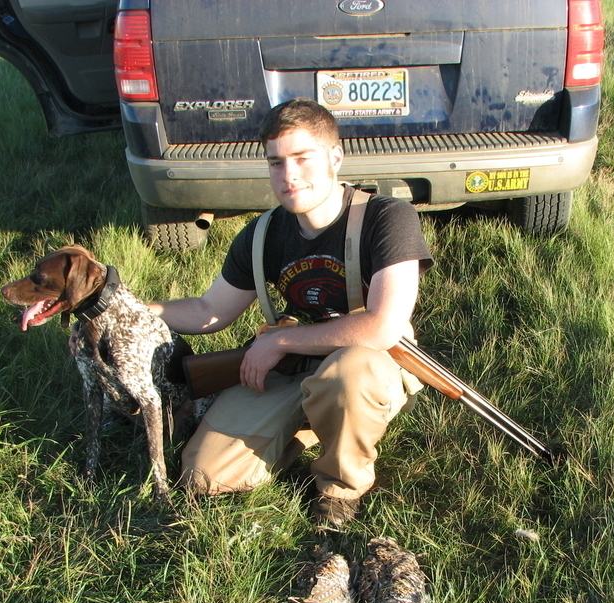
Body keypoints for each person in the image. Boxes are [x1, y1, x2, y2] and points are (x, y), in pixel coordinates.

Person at [150, 98, 433, 532]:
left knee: (348, 373)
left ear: (335, 157)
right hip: (294, 367)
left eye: (302, 158)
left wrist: (279, 340)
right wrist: (137, 309)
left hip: (369, 362)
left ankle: (341, 489)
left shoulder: (387, 218)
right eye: (276, 162)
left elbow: (383, 326)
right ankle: (317, 420)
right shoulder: (262, 234)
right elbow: (210, 311)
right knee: (204, 476)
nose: (289, 175)